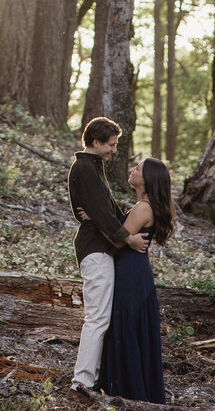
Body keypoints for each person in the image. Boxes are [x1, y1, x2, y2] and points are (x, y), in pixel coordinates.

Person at [67, 117, 150, 397]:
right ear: (96, 142)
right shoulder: (85, 169)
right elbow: (102, 214)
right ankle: (82, 381)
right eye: (111, 145)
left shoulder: (94, 167)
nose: (114, 150)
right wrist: (127, 237)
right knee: (98, 318)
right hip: (95, 249)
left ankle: (94, 377)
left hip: (101, 247)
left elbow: (106, 209)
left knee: (102, 317)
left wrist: (108, 219)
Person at [95, 156, 175, 404]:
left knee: (125, 328)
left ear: (148, 179)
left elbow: (117, 240)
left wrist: (93, 218)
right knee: (126, 328)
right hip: (134, 272)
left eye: (138, 168)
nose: (132, 169)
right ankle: (129, 388)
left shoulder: (143, 208)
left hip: (131, 275)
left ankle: (129, 392)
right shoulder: (143, 205)